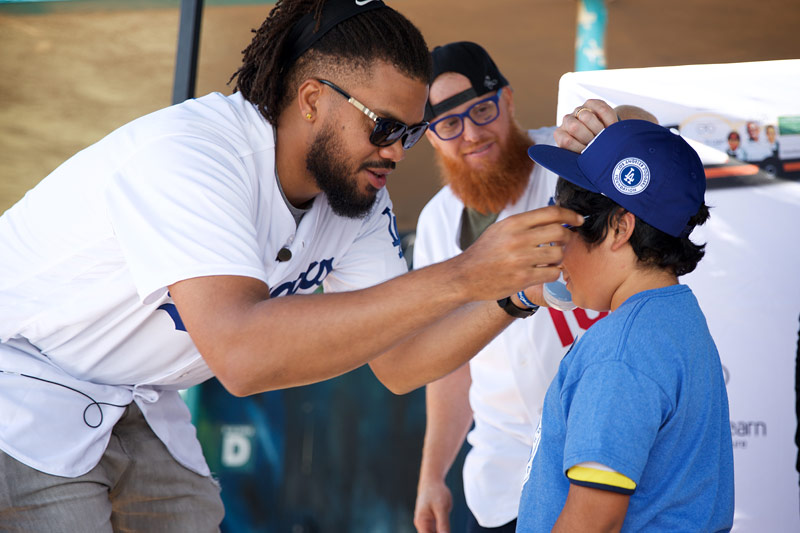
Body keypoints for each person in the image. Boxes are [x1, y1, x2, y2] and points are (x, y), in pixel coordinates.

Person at [0, 1, 581, 530]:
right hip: (22, 384)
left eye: (410, 132)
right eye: (384, 127)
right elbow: (243, 355)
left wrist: (514, 296)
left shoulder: (356, 194)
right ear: (311, 100)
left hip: (138, 395)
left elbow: (401, 364)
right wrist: (462, 274)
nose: (398, 152)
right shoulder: (193, 157)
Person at [411, 42, 654, 533]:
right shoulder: (436, 221)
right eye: (449, 124)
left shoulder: (565, 160)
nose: (472, 133)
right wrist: (432, 473)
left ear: (509, 100)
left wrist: (613, 123)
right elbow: (450, 363)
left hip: (605, 453)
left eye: (482, 109)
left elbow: (645, 143)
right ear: (430, 138)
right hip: (503, 478)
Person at [517, 116, 735, 531]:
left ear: (619, 227)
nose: (555, 249)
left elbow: (592, 521)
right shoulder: (674, 318)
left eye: (565, 226)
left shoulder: (620, 350)